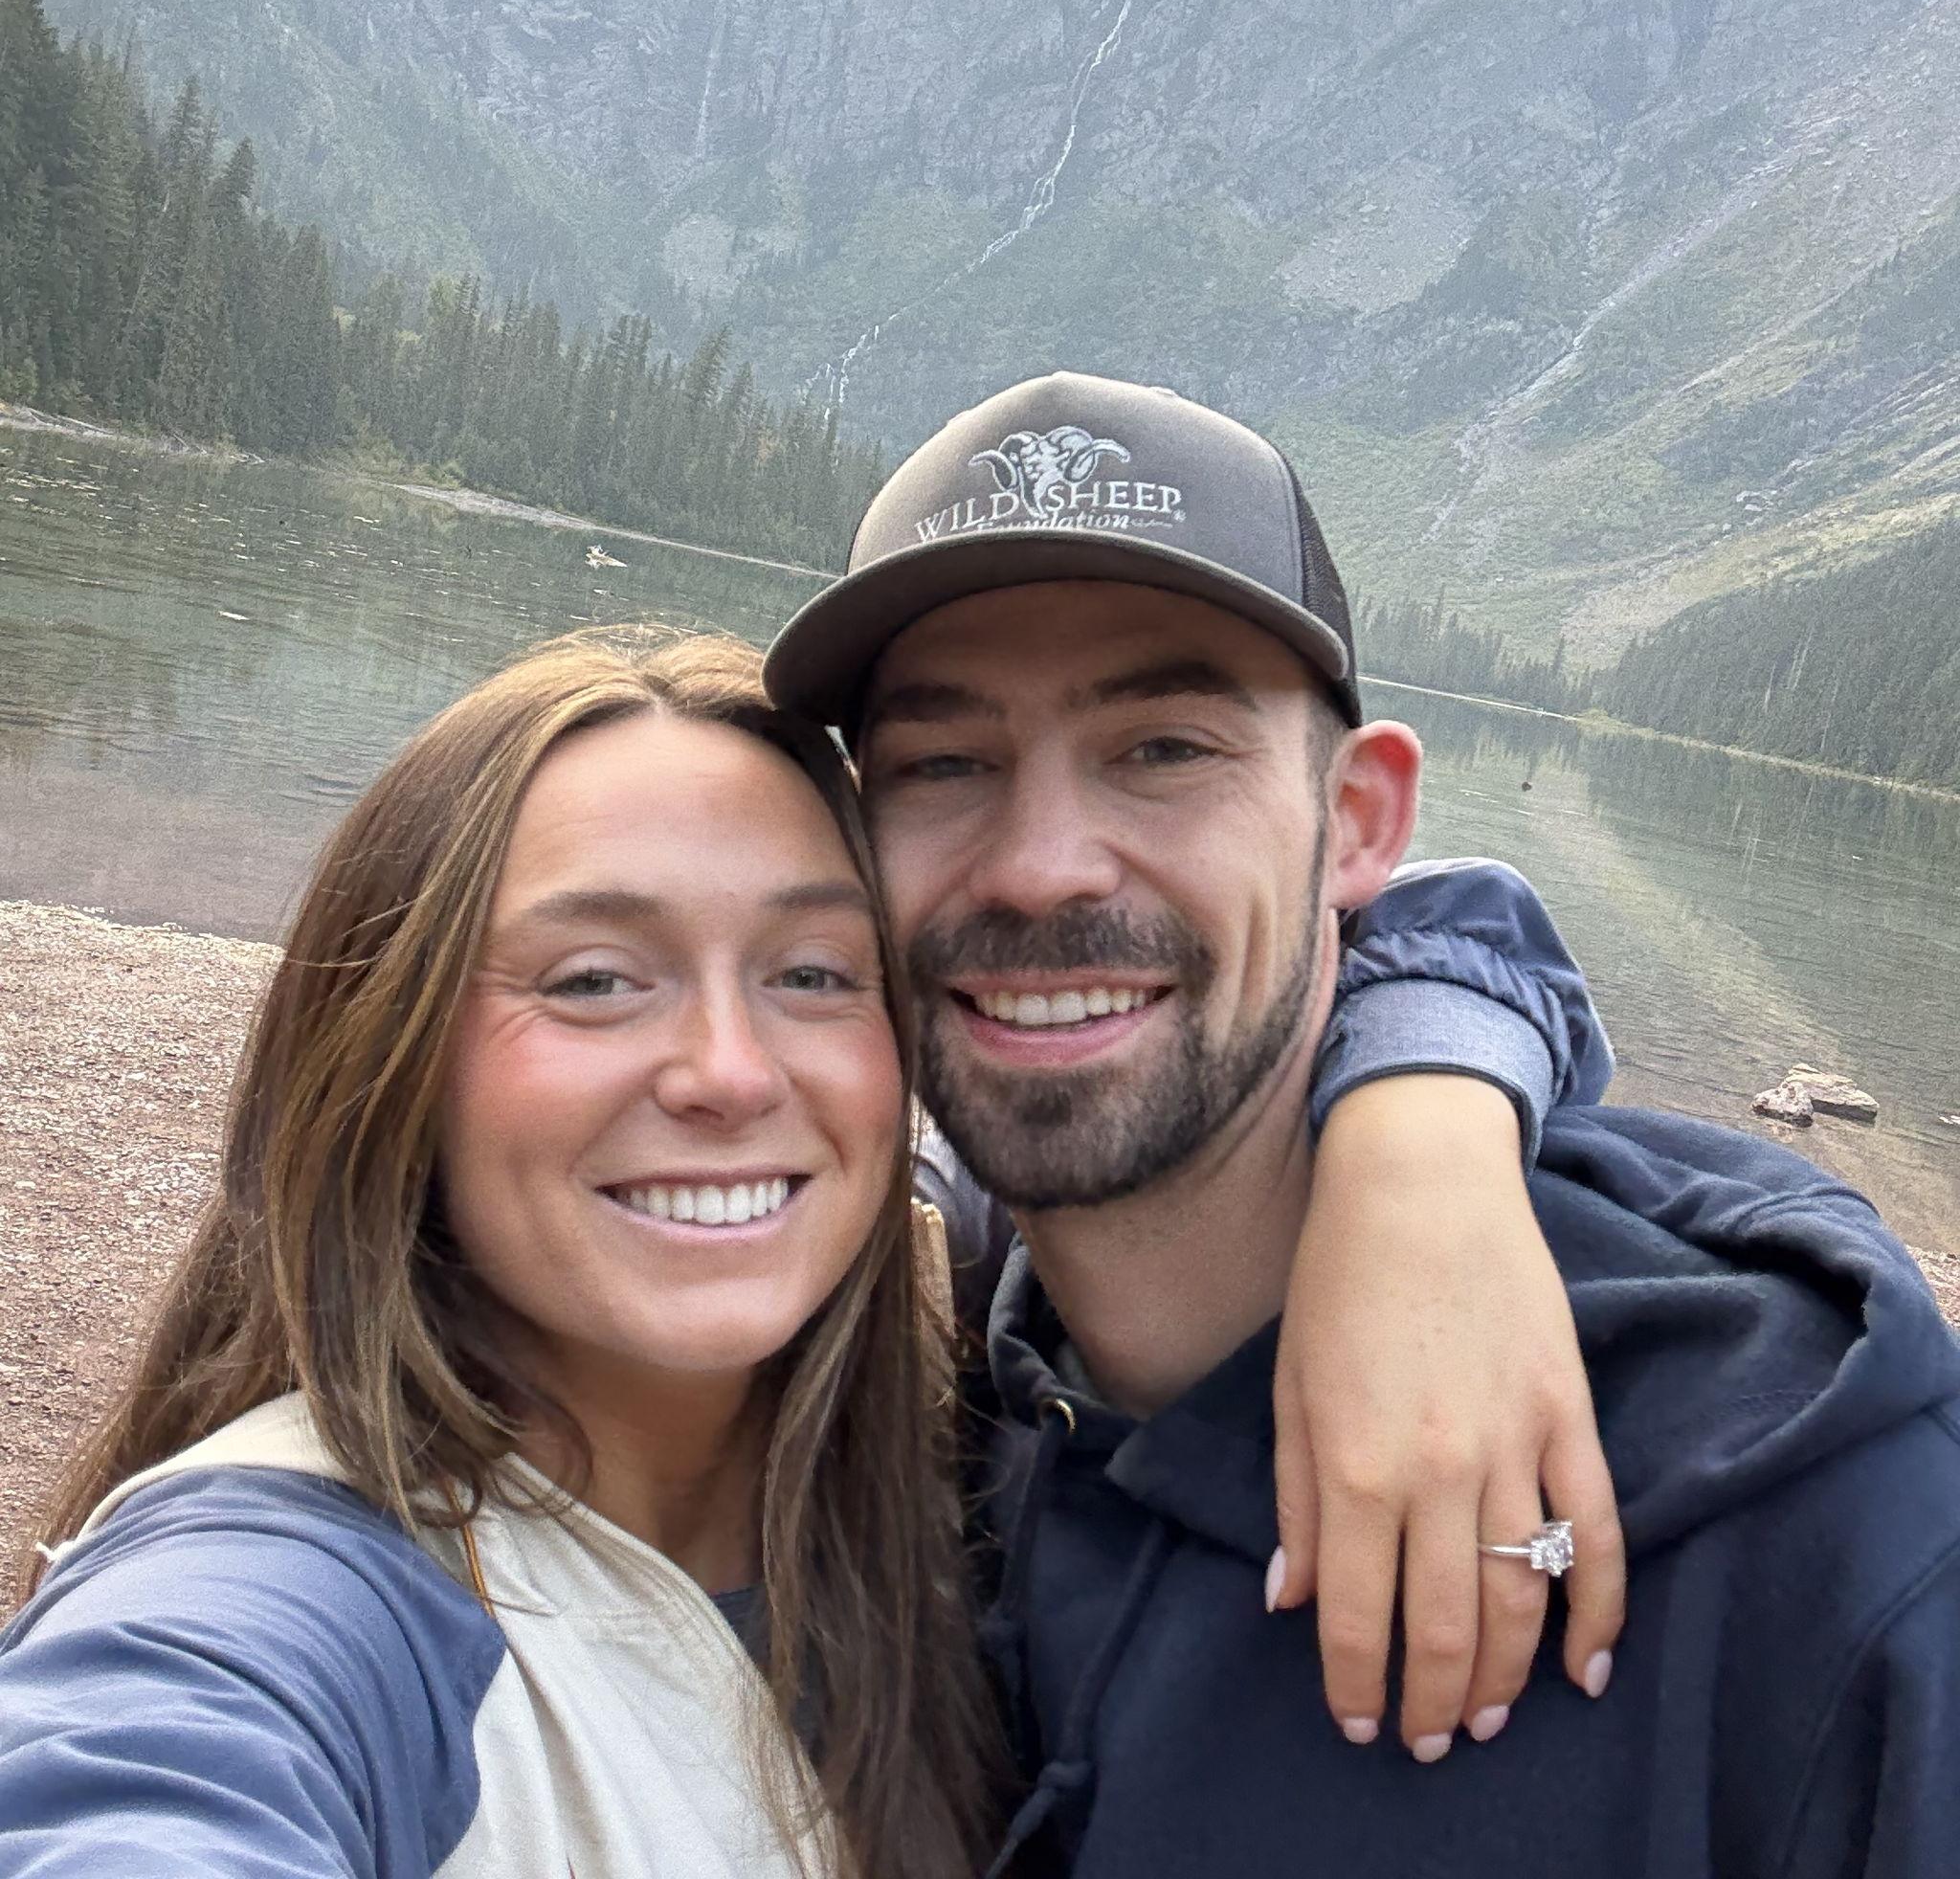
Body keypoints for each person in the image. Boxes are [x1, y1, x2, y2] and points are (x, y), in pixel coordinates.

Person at [0, 623, 1619, 1872]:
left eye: (815, 975)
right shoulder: (295, 1604)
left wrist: (1419, 1145)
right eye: (593, 981)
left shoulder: (955, 1385)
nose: (727, 1073)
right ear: (393, 1054)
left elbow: (1405, 913)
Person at [763, 370, 1960, 1877]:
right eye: (943, 765)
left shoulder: (1820, 1520)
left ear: (1362, 824)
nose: (1042, 865)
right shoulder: (878, 1370)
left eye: (1164, 749)